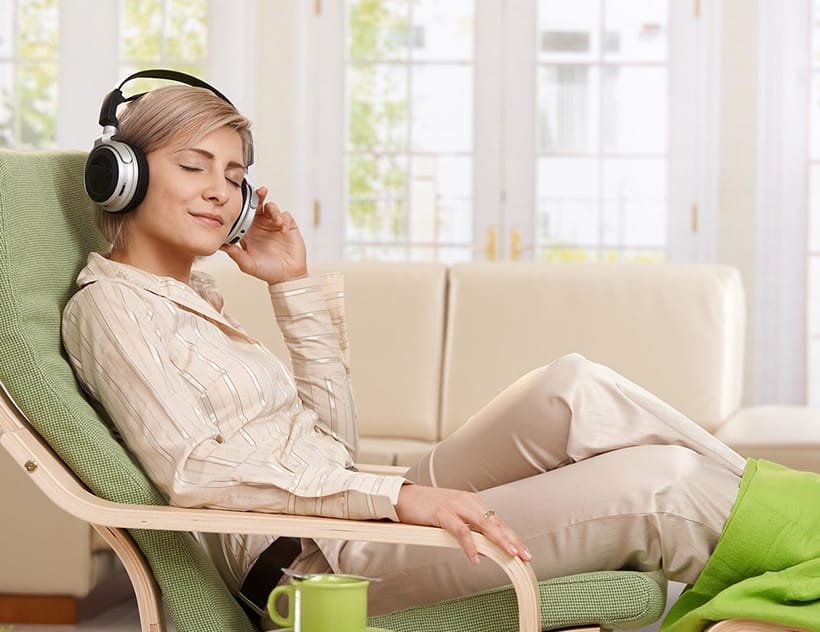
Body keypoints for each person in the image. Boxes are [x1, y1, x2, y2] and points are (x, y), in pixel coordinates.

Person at [61, 73, 807, 630]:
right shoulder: (112, 308)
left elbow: (332, 446)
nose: (221, 194)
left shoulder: (200, 303)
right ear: (119, 175)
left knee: (573, 387)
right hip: (315, 561)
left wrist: (291, 286)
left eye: (233, 177)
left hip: (353, 516)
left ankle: (803, 531)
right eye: (194, 167)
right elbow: (194, 473)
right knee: (665, 485)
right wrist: (398, 497)